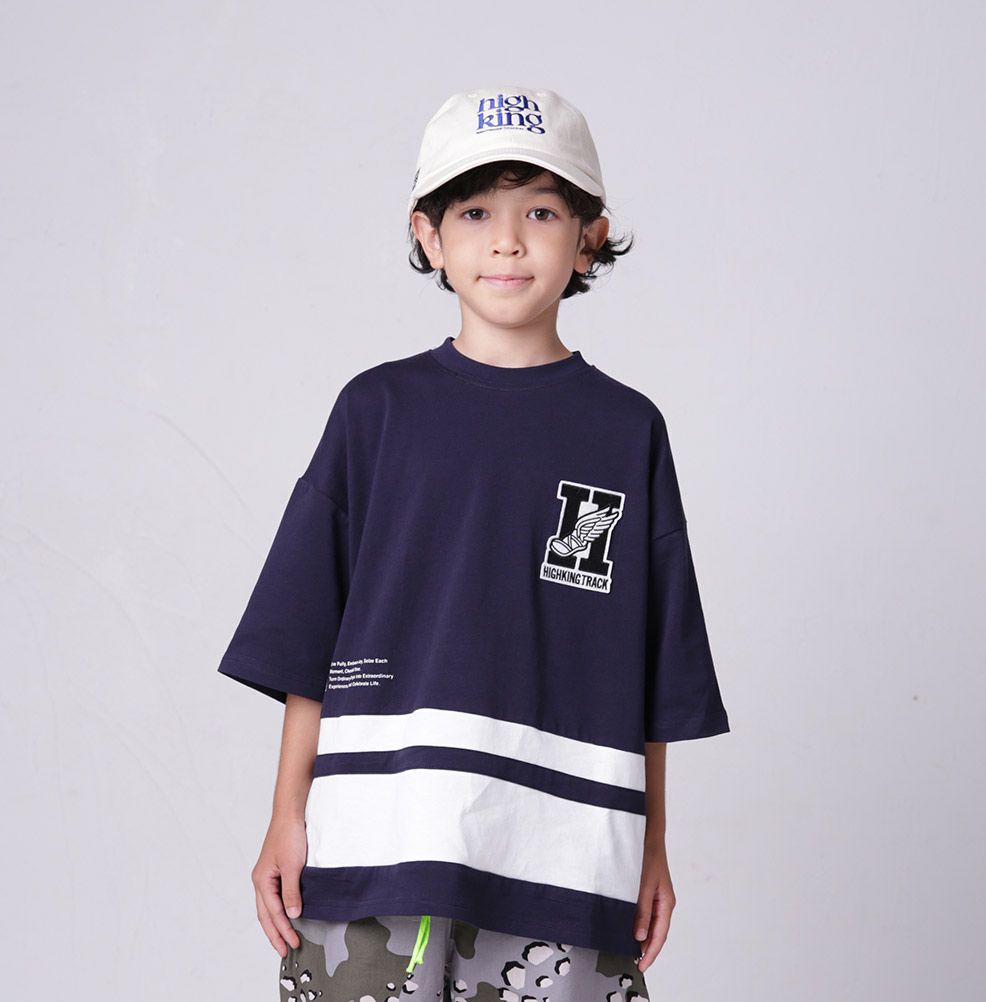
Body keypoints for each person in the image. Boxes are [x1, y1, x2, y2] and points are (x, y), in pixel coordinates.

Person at [217, 85, 731, 1002]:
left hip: (568, 862)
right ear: (429, 236)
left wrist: (651, 845)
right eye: (476, 213)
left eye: (541, 212)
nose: (507, 241)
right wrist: (286, 817)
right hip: (381, 842)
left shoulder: (626, 432)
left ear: (589, 238)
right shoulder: (376, 411)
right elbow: (307, 640)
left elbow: (654, 670)